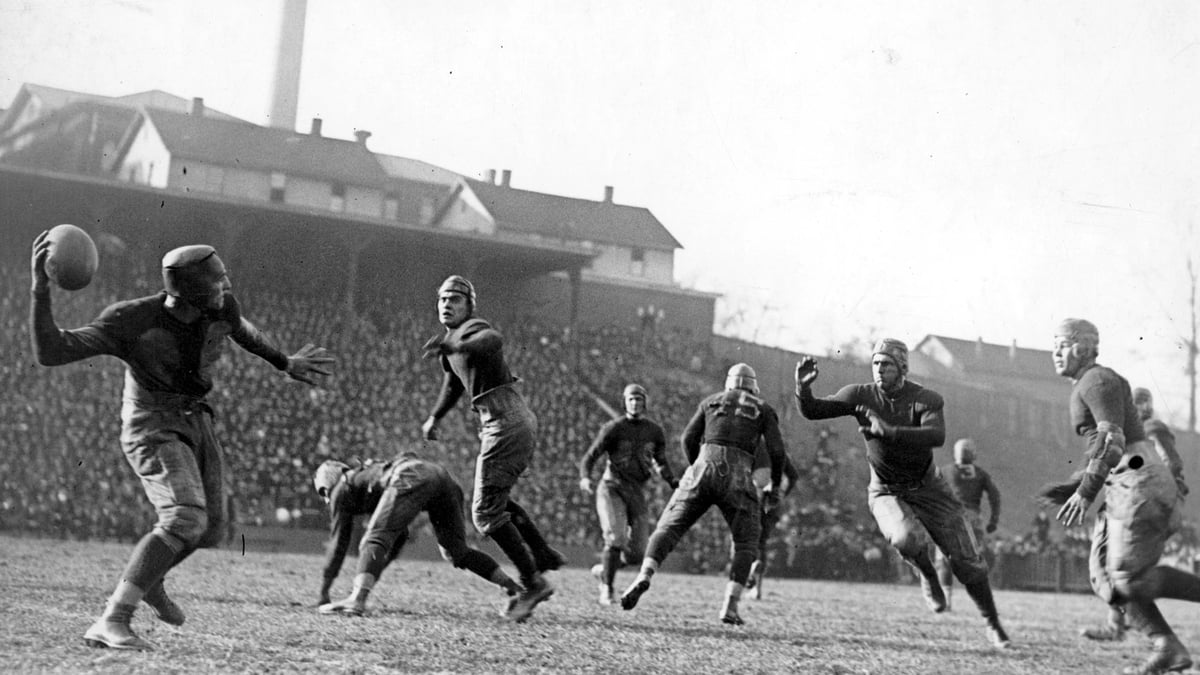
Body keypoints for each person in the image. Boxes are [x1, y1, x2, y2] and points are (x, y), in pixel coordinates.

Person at [29, 236, 334, 651]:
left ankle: (149, 577)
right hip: (151, 421)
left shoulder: (221, 306)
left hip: (195, 418)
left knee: (212, 530)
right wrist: (40, 288)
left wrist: (285, 362)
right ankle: (112, 618)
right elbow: (52, 351)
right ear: (189, 292)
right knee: (185, 518)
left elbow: (243, 331)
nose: (225, 289)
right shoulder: (133, 319)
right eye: (216, 283)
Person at [794, 339, 1011, 649]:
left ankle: (992, 622)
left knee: (966, 560)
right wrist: (803, 389)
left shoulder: (924, 398)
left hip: (929, 487)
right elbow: (814, 411)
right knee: (904, 538)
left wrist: (891, 431)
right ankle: (927, 574)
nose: (880, 369)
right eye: (876, 363)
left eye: (887, 364)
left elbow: (936, 434)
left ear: (903, 368)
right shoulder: (860, 394)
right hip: (885, 489)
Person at [420, 275, 564, 623]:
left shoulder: (472, 330)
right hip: (502, 420)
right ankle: (540, 555)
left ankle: (533, 583)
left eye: (455, 298)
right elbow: (454, 384)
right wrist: (435, 417)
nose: (447, 304)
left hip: (506, 419)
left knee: (484, 513)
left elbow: (492, 340)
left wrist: (459, 347)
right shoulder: (451, 344)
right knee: (495, 503)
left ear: (469, 305)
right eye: (442, 299)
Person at [1047, 340, 1195, 670]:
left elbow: (1113, 442)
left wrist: (1085, 490)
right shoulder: (1092, 383)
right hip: (1124, 485)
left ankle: (1165, 644)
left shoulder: (1096, 381)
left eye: (1063, 344)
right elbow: (1108, 445)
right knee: (1107, 580)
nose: (1055, 352)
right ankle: (1157, 642)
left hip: (1139, 484)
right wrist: (1077, 484)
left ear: (1083, 348)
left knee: (1127, 580)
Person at [619, 363, 786, 626]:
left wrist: (698, 465)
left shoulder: (711, 401)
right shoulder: (763, 409)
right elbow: (777, 451)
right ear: (753, 387)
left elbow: (687, 438)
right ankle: (730, 606)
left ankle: (644, 575)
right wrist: (775, 486)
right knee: (746, 542)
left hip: (704, 464)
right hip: (740, 471)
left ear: (728, 384)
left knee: (669, 526)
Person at [314, 449, 522, 617]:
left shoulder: (342, 488)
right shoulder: (364, 477)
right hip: (441, 478)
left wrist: (324, 591)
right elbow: (400, 535)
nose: (326, 498)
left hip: (410, 475)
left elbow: (338, 543)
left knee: (373, 537)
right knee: (456, 551)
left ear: (326, 483)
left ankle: (356, 600)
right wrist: (373, 571)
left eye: (323, 492)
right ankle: (512, 587)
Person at [579, 383, 678, 606]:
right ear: (624, 402)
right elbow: (590, 456)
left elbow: (661, 462)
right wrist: (585, 477)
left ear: (645, 403)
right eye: (631, 399)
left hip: (637, 491)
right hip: (612, 487)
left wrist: (672, 480)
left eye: (639, 399)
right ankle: (607, 588)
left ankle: (604, 570)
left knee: (638, 553)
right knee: (616, 538)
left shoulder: (654, 431)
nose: (635, 403)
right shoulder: (614, 428)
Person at [932, 438, 1001, 611]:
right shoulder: (981, 474)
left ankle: (946, 601)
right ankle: (983, 602)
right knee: (972, 562)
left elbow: (931, 493)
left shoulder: (945, 471)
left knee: (943, 559)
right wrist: (993, 520)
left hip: (950, 517)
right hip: (973, 519)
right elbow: (995, 496)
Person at [744, 440, 801, 600]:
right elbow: (794, 476)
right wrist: (781, 495)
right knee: (762, 542)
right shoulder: (779, 452)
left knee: (744, 539)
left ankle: (749, 571)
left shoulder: (754, 446)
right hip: (773, 504)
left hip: (754, 498)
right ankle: (757, 588)